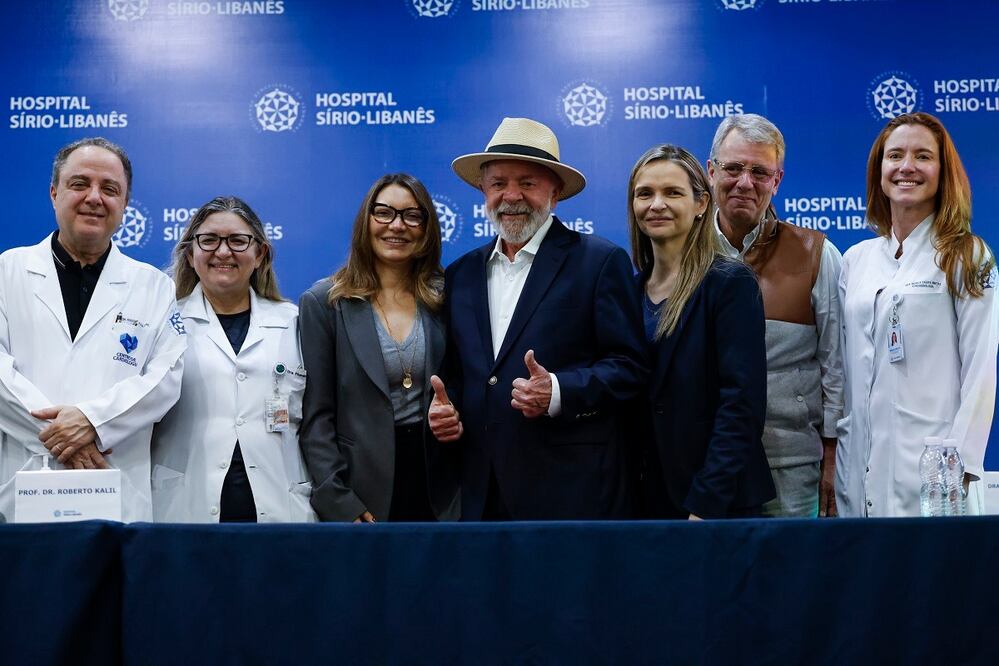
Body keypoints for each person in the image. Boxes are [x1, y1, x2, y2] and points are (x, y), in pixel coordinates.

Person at [429, 117, 647, 520]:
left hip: (569, 493)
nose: (511, 196)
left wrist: (558, 391)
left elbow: (630, 368)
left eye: (527, 183)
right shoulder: (461, 274)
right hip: (480, 492)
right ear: (483, 191)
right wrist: (448, 411)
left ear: (555, 192)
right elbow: (463, 373)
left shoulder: (599, 262)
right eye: (498, 183)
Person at [0, 137, 186, 522]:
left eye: (110, 189)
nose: (94, 198)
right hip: (24, 484)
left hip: (117, 491)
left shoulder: (154, 286)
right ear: (54, 193)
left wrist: (92, 422)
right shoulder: (7, 271)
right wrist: (62, 435)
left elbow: (165, 380)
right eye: (80, 184)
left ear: (125, 205)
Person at [837, 112, 998, 517]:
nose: (906, 167)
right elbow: (843, 374)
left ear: (943, 172)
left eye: (922, 156)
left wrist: (958, 469)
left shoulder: (967, 256)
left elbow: (980, 372)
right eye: (895, 156)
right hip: (857, 474)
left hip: (936, 482)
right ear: (879, 171)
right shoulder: (856, 260)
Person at [299, 173, 458, 522]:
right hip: (360, 490)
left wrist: (456, 416)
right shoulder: (325, 303)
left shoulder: (451, 297)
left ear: (427, 228)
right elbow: (316, 417)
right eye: (384, 213)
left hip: (443, 489)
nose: (397, 226)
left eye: (412, 215)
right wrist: (337, 498)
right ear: (365, 222)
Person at [707, 114, 844, 518]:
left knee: (792, 562)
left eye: (759, 172)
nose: (744, 182)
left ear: (777, 180)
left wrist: (832, 457)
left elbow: (837, 367)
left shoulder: (817, 255)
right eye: (733, 168)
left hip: (789, 468)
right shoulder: (680, 254)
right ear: (711, 172)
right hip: (701, 465)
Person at [629, 144, 774, 519]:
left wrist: (707, 503)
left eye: (672, 192)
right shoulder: (627, 291)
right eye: (645, 193)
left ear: (700, 204)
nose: (656, 204)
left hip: (717, 504)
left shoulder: (729, 282)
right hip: (646, 502)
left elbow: (742, 405)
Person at [151, 196, 315, 523]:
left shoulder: (295, 322)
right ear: (190, 254)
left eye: (238, 241)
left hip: (281, 505)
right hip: (185, 507)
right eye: (209, 240)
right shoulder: (163, 322)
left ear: (260, 254)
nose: (223, 252)